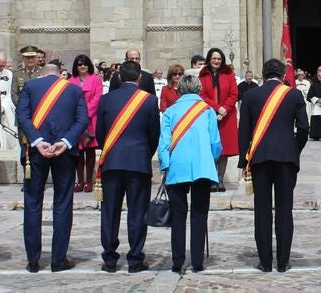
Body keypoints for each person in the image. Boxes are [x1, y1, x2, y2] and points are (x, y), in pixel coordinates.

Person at [237, 59, 308, 273]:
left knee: (263, 210)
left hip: (259, 158)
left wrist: (243, 160)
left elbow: (244, 131)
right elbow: (304, 127)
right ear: (283, 74)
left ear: (263, 74)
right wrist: (295, 149)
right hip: (286, 158)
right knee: (285, 210)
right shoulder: (293, 94)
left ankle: (266, 262)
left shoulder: (251, 95)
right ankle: (283, 261)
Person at [17, 63, 89, 272]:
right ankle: (58, 259)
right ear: (60, 75)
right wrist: (66, 141)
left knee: (32, 202)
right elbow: (82, 120)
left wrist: (37, 140)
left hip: (35, 152)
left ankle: (33, 259)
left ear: (43, 74)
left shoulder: (30, 86)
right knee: (63, 202)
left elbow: (22, 116)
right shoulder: (74, 89)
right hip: (63, 151)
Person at [96, 60, 159, 274]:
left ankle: (110, 259)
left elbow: (100, 134)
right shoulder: (150, 101)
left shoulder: (106, 100)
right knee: (137, 212)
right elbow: (154, 136)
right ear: (140, 78)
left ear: (120, 77)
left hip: (112, 162)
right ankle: (134, 259)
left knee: (110, 212)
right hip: (139, 163)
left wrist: (111, 151)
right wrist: (143, 154)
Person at [159, 72, 222, 273]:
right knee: (199, 213)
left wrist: (165, 166)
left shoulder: (170, 111)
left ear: (179, 89)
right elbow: (215, 143)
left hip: (177, 167)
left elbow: (164, 143)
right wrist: (212, 159)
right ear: (198, 89)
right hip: (202, 167)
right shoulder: (208, 111)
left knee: (178, 214)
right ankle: (197, 261)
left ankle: (177, 261)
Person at [198, 47, 238, 191]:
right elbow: (202, 95)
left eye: (219, 59)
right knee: (210, 148)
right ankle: (212, 179)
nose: (216, 61)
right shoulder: (203, 75)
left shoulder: (229, 73)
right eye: (214, 58)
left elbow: (234, 94)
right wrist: (216, 108)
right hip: (209, 115)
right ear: (209, 59)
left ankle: (220, 180)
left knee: (224, 149)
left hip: (227, 117)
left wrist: (224, 110)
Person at [69, 55, 104, 192]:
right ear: (76, 67)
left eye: (85, 64)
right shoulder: (71, 81)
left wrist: (85, 114)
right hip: (76, 120)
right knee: (78, 152)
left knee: (89, 152)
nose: (83, 67)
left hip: (91, 120)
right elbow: (69, 99)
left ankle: (89, 180)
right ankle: (80, 180)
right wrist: (79, 115)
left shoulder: (96, 79)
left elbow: (97, 98)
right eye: (79, 65)